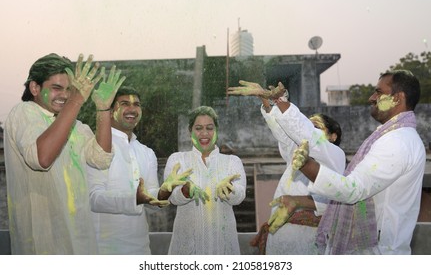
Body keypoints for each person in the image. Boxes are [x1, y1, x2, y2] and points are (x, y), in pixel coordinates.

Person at [292, 70, 426, 254]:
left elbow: (352, 189)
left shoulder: (397, 141)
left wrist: (307, 165)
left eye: (379, 92)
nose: (372, 98)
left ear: (398, 98)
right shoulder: (394, 137)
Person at [4, 53, 125, 254]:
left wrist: (103, 110)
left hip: (80, 243)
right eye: (56, 88)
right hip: (43, 246)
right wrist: (76, 101)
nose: (66, 95)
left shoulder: (75, 126)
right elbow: (41, 158)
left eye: (70, 89)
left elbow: (101, 159)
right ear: (35, 88)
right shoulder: (24, 112)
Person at [228, 80, 346, 254]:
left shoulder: (335, 155)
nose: (309, 129)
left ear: (333, 136)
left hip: (309, 242)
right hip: (280, 241)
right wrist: (265, 100)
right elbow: (284, 134)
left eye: (316, 127)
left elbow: (306, 133)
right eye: (308, 124)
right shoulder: (296, 154)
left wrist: (281, 102)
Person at [87, 86, 191, 254]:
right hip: (104, 249)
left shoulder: (146, 153)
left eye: (137, 104)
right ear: (110, 108)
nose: (132, 109)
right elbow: (93, 198)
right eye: (125, 103)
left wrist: (164, 192)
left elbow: (151, 198)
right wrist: (134, 198)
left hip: (140, 248)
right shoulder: (97, 148)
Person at [164, 106, 247, 254]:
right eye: (198, 128)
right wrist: (185, 191)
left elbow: (239, 196)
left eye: (209, 128)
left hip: (223, 249)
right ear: (190, 131)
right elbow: (172, 198)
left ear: (216, 130)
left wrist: (229, 190)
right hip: (186, 252)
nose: (204, 133)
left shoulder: (232, 161)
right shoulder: (177, 160)